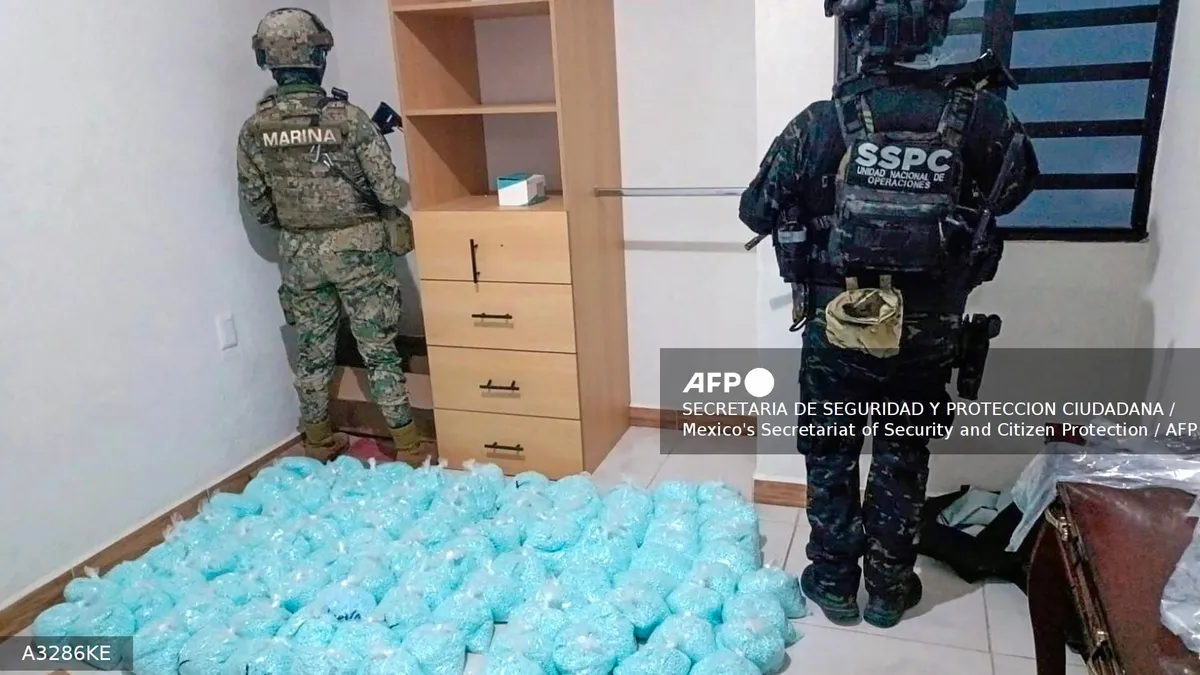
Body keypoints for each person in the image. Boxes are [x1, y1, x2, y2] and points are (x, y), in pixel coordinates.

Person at [739, 0, 1039, 628]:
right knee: (903, 454)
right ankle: (889, 591)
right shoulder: (981, 117)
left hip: (839, 321)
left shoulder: (821, 122)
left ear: (859, 34)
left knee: (830, 453)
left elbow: (756, 208)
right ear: (937, 31)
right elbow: (1015, 189)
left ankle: (833, 584)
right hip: (928, 330)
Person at [237, 8, 420, 459]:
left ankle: (318, 439)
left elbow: (259, 204)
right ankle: (409, 446)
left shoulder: (255, 128)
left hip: (299, 252)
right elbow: (385, 189)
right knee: (378, 348)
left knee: (313, 347)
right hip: (359, 249)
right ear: (318, 55)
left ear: (266, 59)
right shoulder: (349, 119)